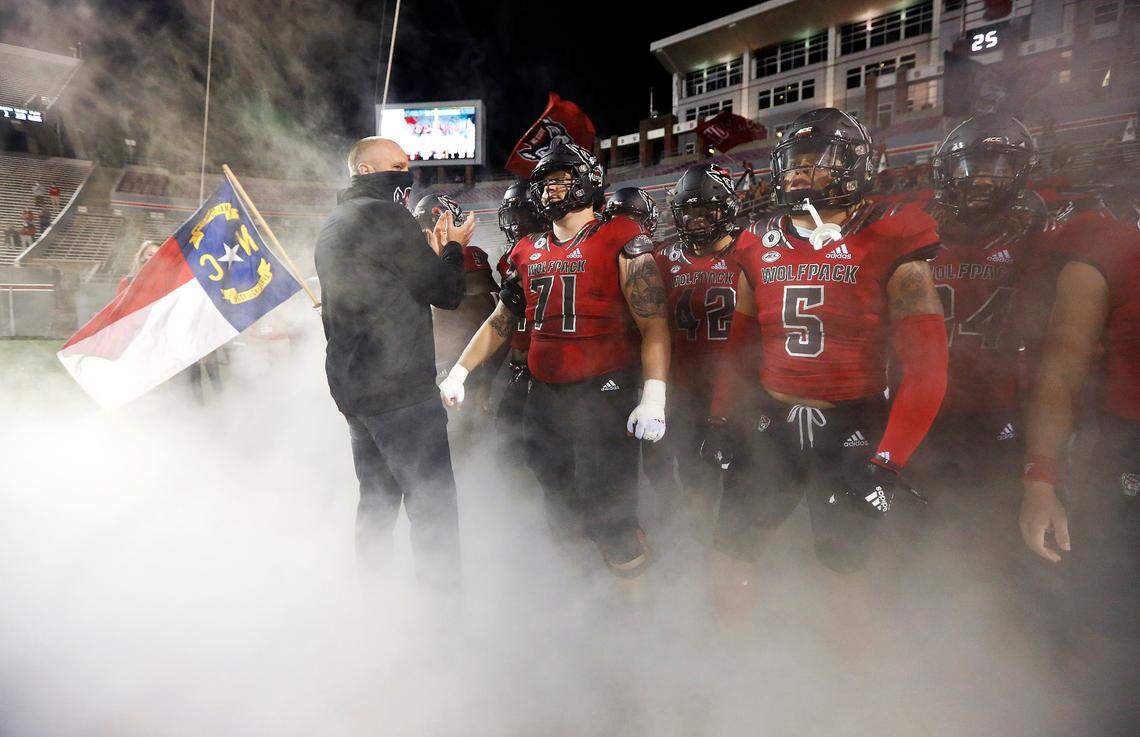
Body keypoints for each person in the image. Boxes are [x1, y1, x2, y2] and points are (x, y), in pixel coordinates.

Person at [700, 108, 948, 612]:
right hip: (772, 421)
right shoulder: (757, 240)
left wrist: (888, 460)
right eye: (793, 163)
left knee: (845, 574)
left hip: (851, 426)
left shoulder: (891, 234)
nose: (798, 174)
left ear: (854, 166)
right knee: (729, 555)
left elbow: (927, 369)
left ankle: (849, 678)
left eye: (815, 163)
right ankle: (726, 661)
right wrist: (722, 416)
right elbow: (740, 346)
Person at [438, 141, 670, 578]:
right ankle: (579, 598)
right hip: (543, 395)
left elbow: (654, 323)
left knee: (613, 509)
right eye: (545, 182)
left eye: (562, 178)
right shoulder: (527, 248)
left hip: (604, 391)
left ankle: (632, 609)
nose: (551, 189)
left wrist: (654, 394)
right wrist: (460, 371)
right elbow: (502, 319)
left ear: (588, 181)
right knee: (556, 499)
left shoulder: (621, 237)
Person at [314, 136, 475, 591]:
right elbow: (446, 292)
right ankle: (442, 629)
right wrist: (453, 248)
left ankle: (375, 608)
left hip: (356, 395)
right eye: (398, 165)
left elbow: (373, 290)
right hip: (399, 391)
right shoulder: (385, 214)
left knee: (377, 503)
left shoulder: (334, 221)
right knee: (434, 511)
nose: (406, 172)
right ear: (365, 171)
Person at [1019, 202, 1139, 737]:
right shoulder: (1110, 245)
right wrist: (1042, 475)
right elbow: (1062, 371)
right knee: (1111, 624)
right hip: (1128, 454)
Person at [921, 115, 1050, 513]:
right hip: (926, 402)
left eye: (1000, 168)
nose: (980, 179)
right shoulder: (918, 231)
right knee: (916, 520)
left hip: (999, 404)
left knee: (993, 519)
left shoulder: (1037, 239)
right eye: (970, 166)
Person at [648, 165, 754, 539]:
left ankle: (736, 546)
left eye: (705, 210)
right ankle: (697, 548)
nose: (696, 220)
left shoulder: (753, 250)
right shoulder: (663, 258)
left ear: (726, 209)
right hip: (688, 390)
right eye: (688, 211)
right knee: (695, 475)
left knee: (747, 479)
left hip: (745, 392)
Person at [412, 194, 499, 434]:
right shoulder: (413, 259)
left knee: (458, 435)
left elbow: (488, 312)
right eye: (422, 224)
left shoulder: (467, 256)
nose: (426, 231)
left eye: (433, 223)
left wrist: (482, 375)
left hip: (456, 362)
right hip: (425, 363)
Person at [492, 180, 546, 466]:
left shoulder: (557, 252)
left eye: (523, 215)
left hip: (549, 369)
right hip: (518, 365)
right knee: (507, 441)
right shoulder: (508, 259)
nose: (515, 225)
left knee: (542, 448)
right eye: (511, 217)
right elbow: (504, 317)